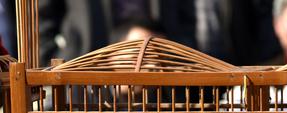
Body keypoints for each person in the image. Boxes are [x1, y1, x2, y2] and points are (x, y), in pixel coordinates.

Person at [38, 0, 196, 66]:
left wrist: (177, 53)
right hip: (86, 67)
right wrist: (53, 61)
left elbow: (186, 16)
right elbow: (43, 17)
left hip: (159, 67)